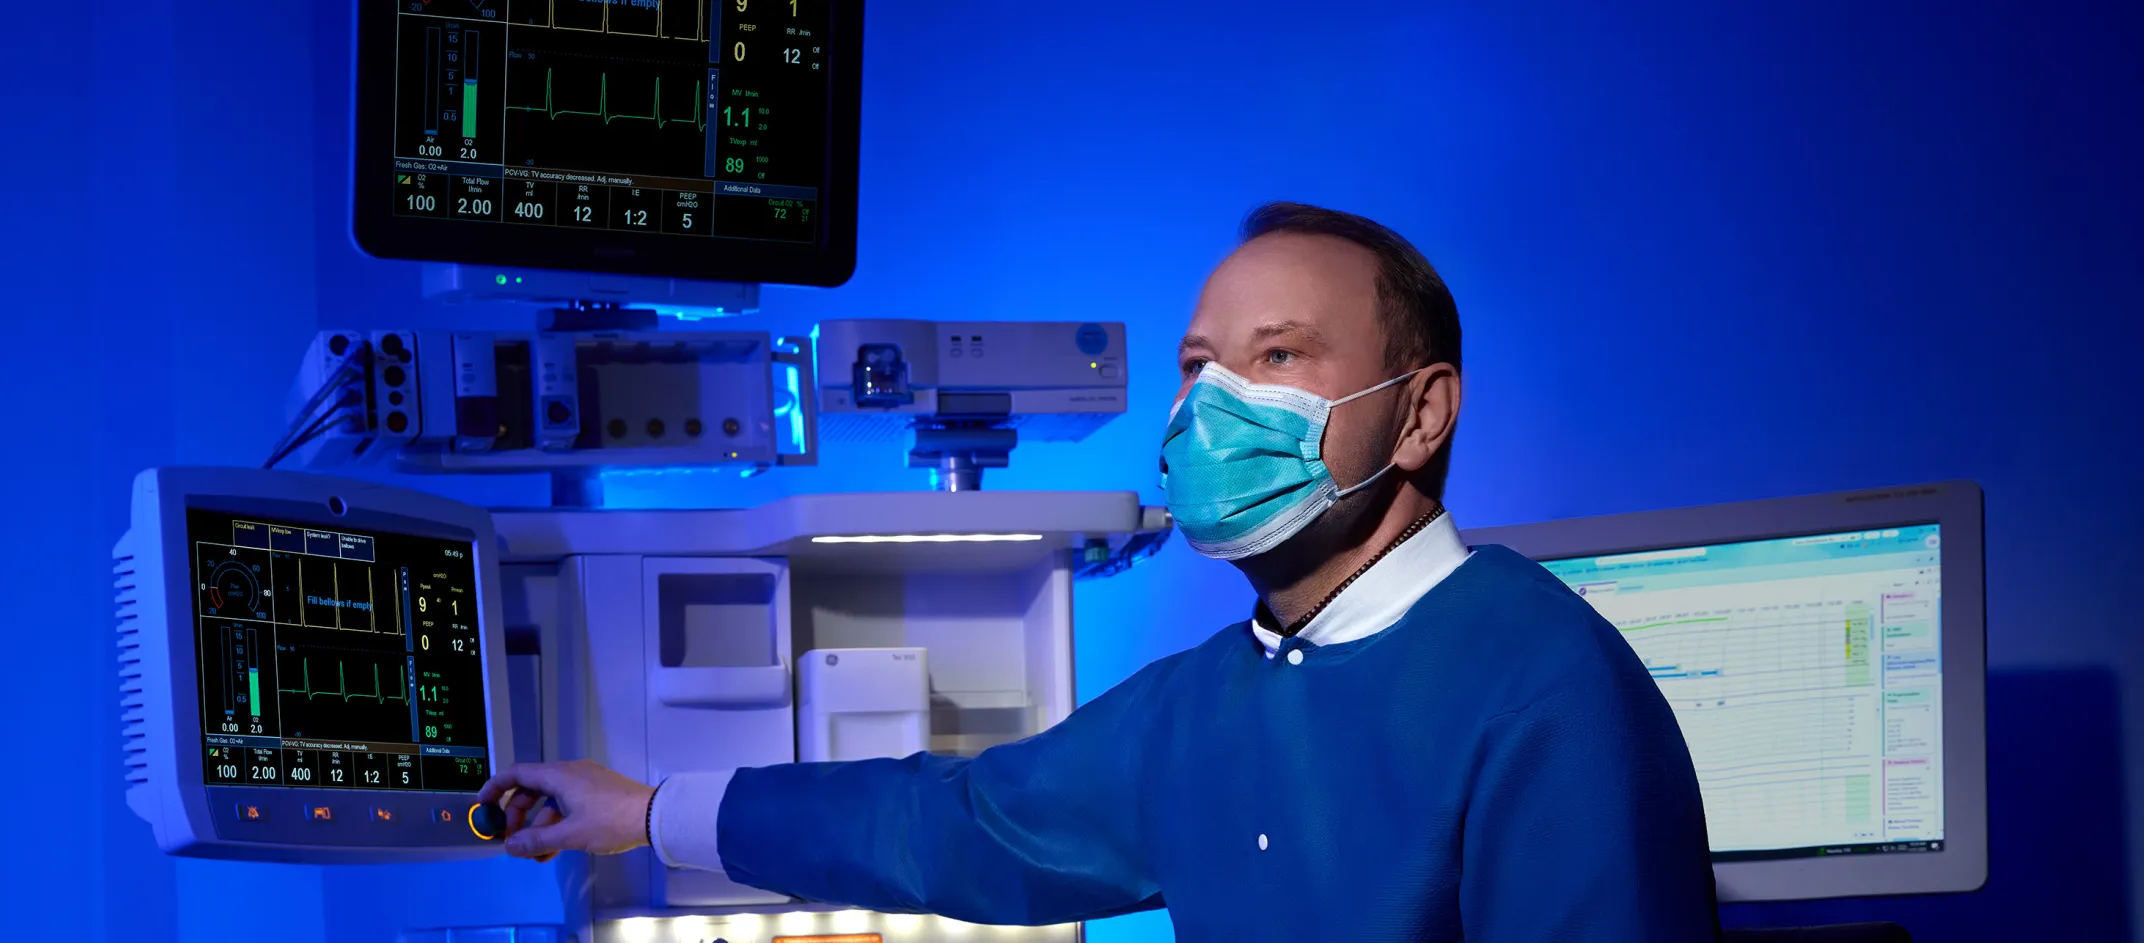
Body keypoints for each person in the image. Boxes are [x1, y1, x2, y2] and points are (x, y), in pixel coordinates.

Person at [476, 203, 1721, 939]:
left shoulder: (1544, 687)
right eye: (1198, 365)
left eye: (1278, 356)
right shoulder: (1206, 704)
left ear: (1419, 412)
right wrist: (645, 808)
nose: (1213, 406)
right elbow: (950, 824)